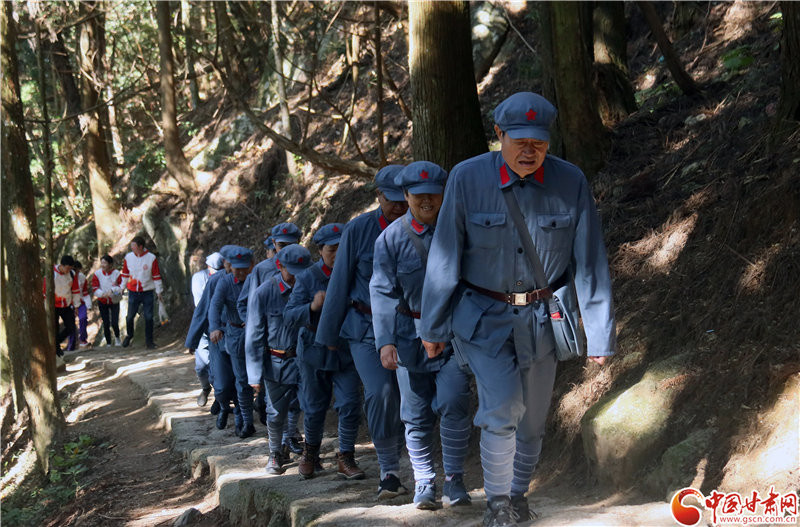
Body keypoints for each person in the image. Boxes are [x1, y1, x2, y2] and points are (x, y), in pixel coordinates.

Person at [420, 92, 616, 527]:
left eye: (539, 143)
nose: (529, 152)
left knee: (532, 421)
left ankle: (517, 494)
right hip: (481, 317)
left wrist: (599, 334)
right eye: (519, 141)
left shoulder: (571, 182)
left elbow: (590, 261)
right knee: (503, 405)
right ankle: (497, 504)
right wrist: (432, 327)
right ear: (499, 135)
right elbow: (445, 256)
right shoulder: (468, 179)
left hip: (543, 320)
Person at [370, 161, 473, 509]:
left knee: (455, 400)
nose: (426, 200)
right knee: (414, 414)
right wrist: (385, 341)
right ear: (407, 195)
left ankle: (455, 481)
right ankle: (424, 482)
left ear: (444, 195)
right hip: (408, 336)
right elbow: (381, 291)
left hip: (455, 333)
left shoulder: (461, 228)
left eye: (434, 194)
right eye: (418, 194)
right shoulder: (391, 239)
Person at [315, 165, 411, 499]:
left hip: (409, 325)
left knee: (407, 396)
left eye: (404, 199)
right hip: (364, 328)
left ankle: (404, 458)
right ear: (378, 195)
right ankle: (389, 470)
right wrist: (328, 337)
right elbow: (339, 281)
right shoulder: (359, 229)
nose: (399, 206)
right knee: (380, 392)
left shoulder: (423, 225)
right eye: (392, 199)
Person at [283, 223, 365, 480]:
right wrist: (312, 305)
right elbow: (288, 317)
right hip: (314, 350)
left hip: (346, 347)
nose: (338, 255)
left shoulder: (356, 273)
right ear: (320, 251)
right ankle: (311, 453)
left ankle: (346, 456)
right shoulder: (307, 277)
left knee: (350, 403)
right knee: (315, 406)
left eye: (343, 249)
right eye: (332, 250)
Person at [245, 244, 313, 474]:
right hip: (277, 362)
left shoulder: (312, 288)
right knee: (275, 413)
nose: (296, 277)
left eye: (301, 271)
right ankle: (275, 452)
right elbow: (254, 335)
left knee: (310, 407)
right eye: (291, 270)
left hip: (308, 359)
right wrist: (254, 373)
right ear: (279, 266)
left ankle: (308, 453)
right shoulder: (265, 292)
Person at [238, 223, 304, 454]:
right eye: (281, 245)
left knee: (298, 399)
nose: (285, 250)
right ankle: (278, 446)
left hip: (298, 349)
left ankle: (290, 436)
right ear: (273, 244)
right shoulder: (262, 270)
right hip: (272, 346)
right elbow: (250, 305)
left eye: (291, 245)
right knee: (274, 403)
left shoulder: (306, 267)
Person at [186, 246, 237, 426]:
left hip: (241, 336)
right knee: (219, 379)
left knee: (241, 380)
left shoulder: (249, 278)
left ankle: (241, 416)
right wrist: (193, 339)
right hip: (218, 336)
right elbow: (202, 311)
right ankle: (223, 405)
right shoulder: (215, 281)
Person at [209, 246, 256, 438]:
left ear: (252, 264)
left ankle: (271, 417)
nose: (242, 271)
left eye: (245, 267)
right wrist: (214, 327)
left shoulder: (259, 278)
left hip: (260, 334)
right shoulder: (225, 282)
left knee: (266, 379)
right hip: (236, 335)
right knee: (242, 379)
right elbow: (215, 305)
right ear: (229, 266)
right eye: (237, 268)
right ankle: (245, 420)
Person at [190, 252, 224, 407]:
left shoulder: (226, 277)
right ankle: (205, 389)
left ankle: (221, 398)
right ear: (208, 267)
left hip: (222, 327)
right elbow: (201, 307)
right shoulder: (199, 278)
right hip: (205, 327)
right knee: (202, 366)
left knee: (220, 366)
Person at [121, 236, 163, 349]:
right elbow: (125, 274)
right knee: (130, 316)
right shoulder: (128, 257)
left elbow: (156, 276)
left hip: (147, 291)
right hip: (133, 291)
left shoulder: (151, 258)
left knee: (149, 317)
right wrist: (122, 287)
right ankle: (129, 335)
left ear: (141, 246)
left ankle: (149, 341)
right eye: (131, 247)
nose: (132, 248)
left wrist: (159, 291)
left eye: (134, 246)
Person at [47, 255, 80, 356]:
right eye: (67, 268)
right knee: (55, 328)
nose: (69, 270)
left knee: (71, 327)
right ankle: (57, 350)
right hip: (54, 306)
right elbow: (45, 292)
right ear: (61, 265)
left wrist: (76, 306)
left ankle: (55, 343)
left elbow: (75, 291)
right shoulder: (51, 274)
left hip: (66, 304)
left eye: (71, 268)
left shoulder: (72, 274)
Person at [92, 255, 123, 347]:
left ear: (110, 264)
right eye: (101, 263)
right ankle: (109, 343)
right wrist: (102, 294)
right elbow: (95, 288)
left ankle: (117, 338)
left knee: (114, 322)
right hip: (102, 301)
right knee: (105, 323)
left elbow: (122, 287)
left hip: (114, 301)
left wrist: (113, 290)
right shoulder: (97, 274)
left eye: (105, 263)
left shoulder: (116, 273)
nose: (103, 265)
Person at [67, 261, 92, 350]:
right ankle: (71, 345)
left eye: (77, 270)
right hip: (69, 303)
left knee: (83, 318)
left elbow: (85, 292)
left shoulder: (82, 277)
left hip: (81, 302)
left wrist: (88, 304)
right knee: (70, 324)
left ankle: (83, 339)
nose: (76, 272)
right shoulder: (66, 277)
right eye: (74, 269)